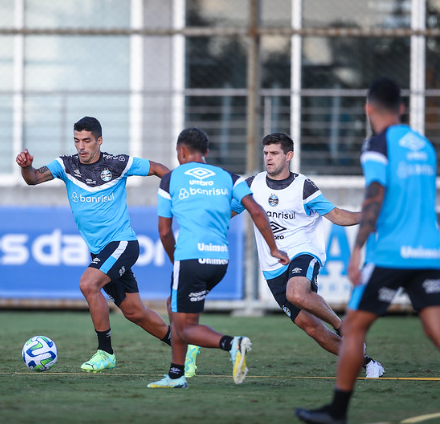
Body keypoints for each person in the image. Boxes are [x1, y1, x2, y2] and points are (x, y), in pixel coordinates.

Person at [295, 79, 440, 424]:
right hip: (429, 251)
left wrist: (358, 247)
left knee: (353, 327)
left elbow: (375, 194)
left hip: (391, 253)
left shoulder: (377, 144)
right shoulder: (424, 145)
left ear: (368, 108)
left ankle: (337, 412)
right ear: (402, 108)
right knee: (434, 327)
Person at [16, 116, 198, 373]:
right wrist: (27, 166)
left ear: (99, 141)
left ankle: (105, 352)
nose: (81, 146)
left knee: (88, 284)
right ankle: (185, 345)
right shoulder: (64, 165)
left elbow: (157, 168)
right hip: (100, 250)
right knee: (135, 312)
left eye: (87, 141)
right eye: (77, 140)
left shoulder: (117, 163)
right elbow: (33, 178)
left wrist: (183, 191)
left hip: (122, 243)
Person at [231, 132, 384, 378]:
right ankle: (367, 362)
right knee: (313, 329)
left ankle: (343, 326)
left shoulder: (303, 187)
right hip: (273, 267)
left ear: (289, 156)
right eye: (266, 153)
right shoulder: (252, 185)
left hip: (303, 252)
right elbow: (229, 212)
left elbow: (335, 215)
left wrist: (366, 217)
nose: (268, 159)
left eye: (274, 153)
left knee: (297, 293)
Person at [147, 128, 290, 389]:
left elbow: (164, 231)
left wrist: (174, 259)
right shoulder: (229, 177)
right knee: (177, 308)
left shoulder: (171, 178)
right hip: (219, 261)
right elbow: (257, 211)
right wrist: (273, 248)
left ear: (180, 151)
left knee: (182, 328)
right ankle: (177, 374)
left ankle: (232, 344)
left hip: (190, 258)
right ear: (206, 153)